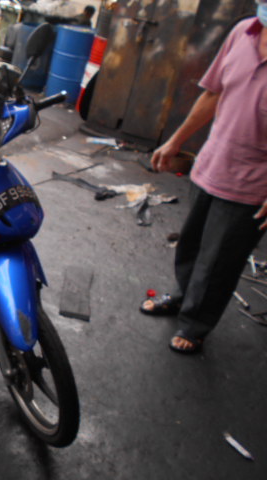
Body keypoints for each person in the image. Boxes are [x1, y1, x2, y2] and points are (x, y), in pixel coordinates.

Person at [140, 5, 267, 354]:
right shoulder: (243, 32)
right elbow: (213, 93)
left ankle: (195, 324)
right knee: (192, 246)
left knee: (220, 262)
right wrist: (175, 141)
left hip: (253, 184)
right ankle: (183, 296)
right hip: (211, 164)